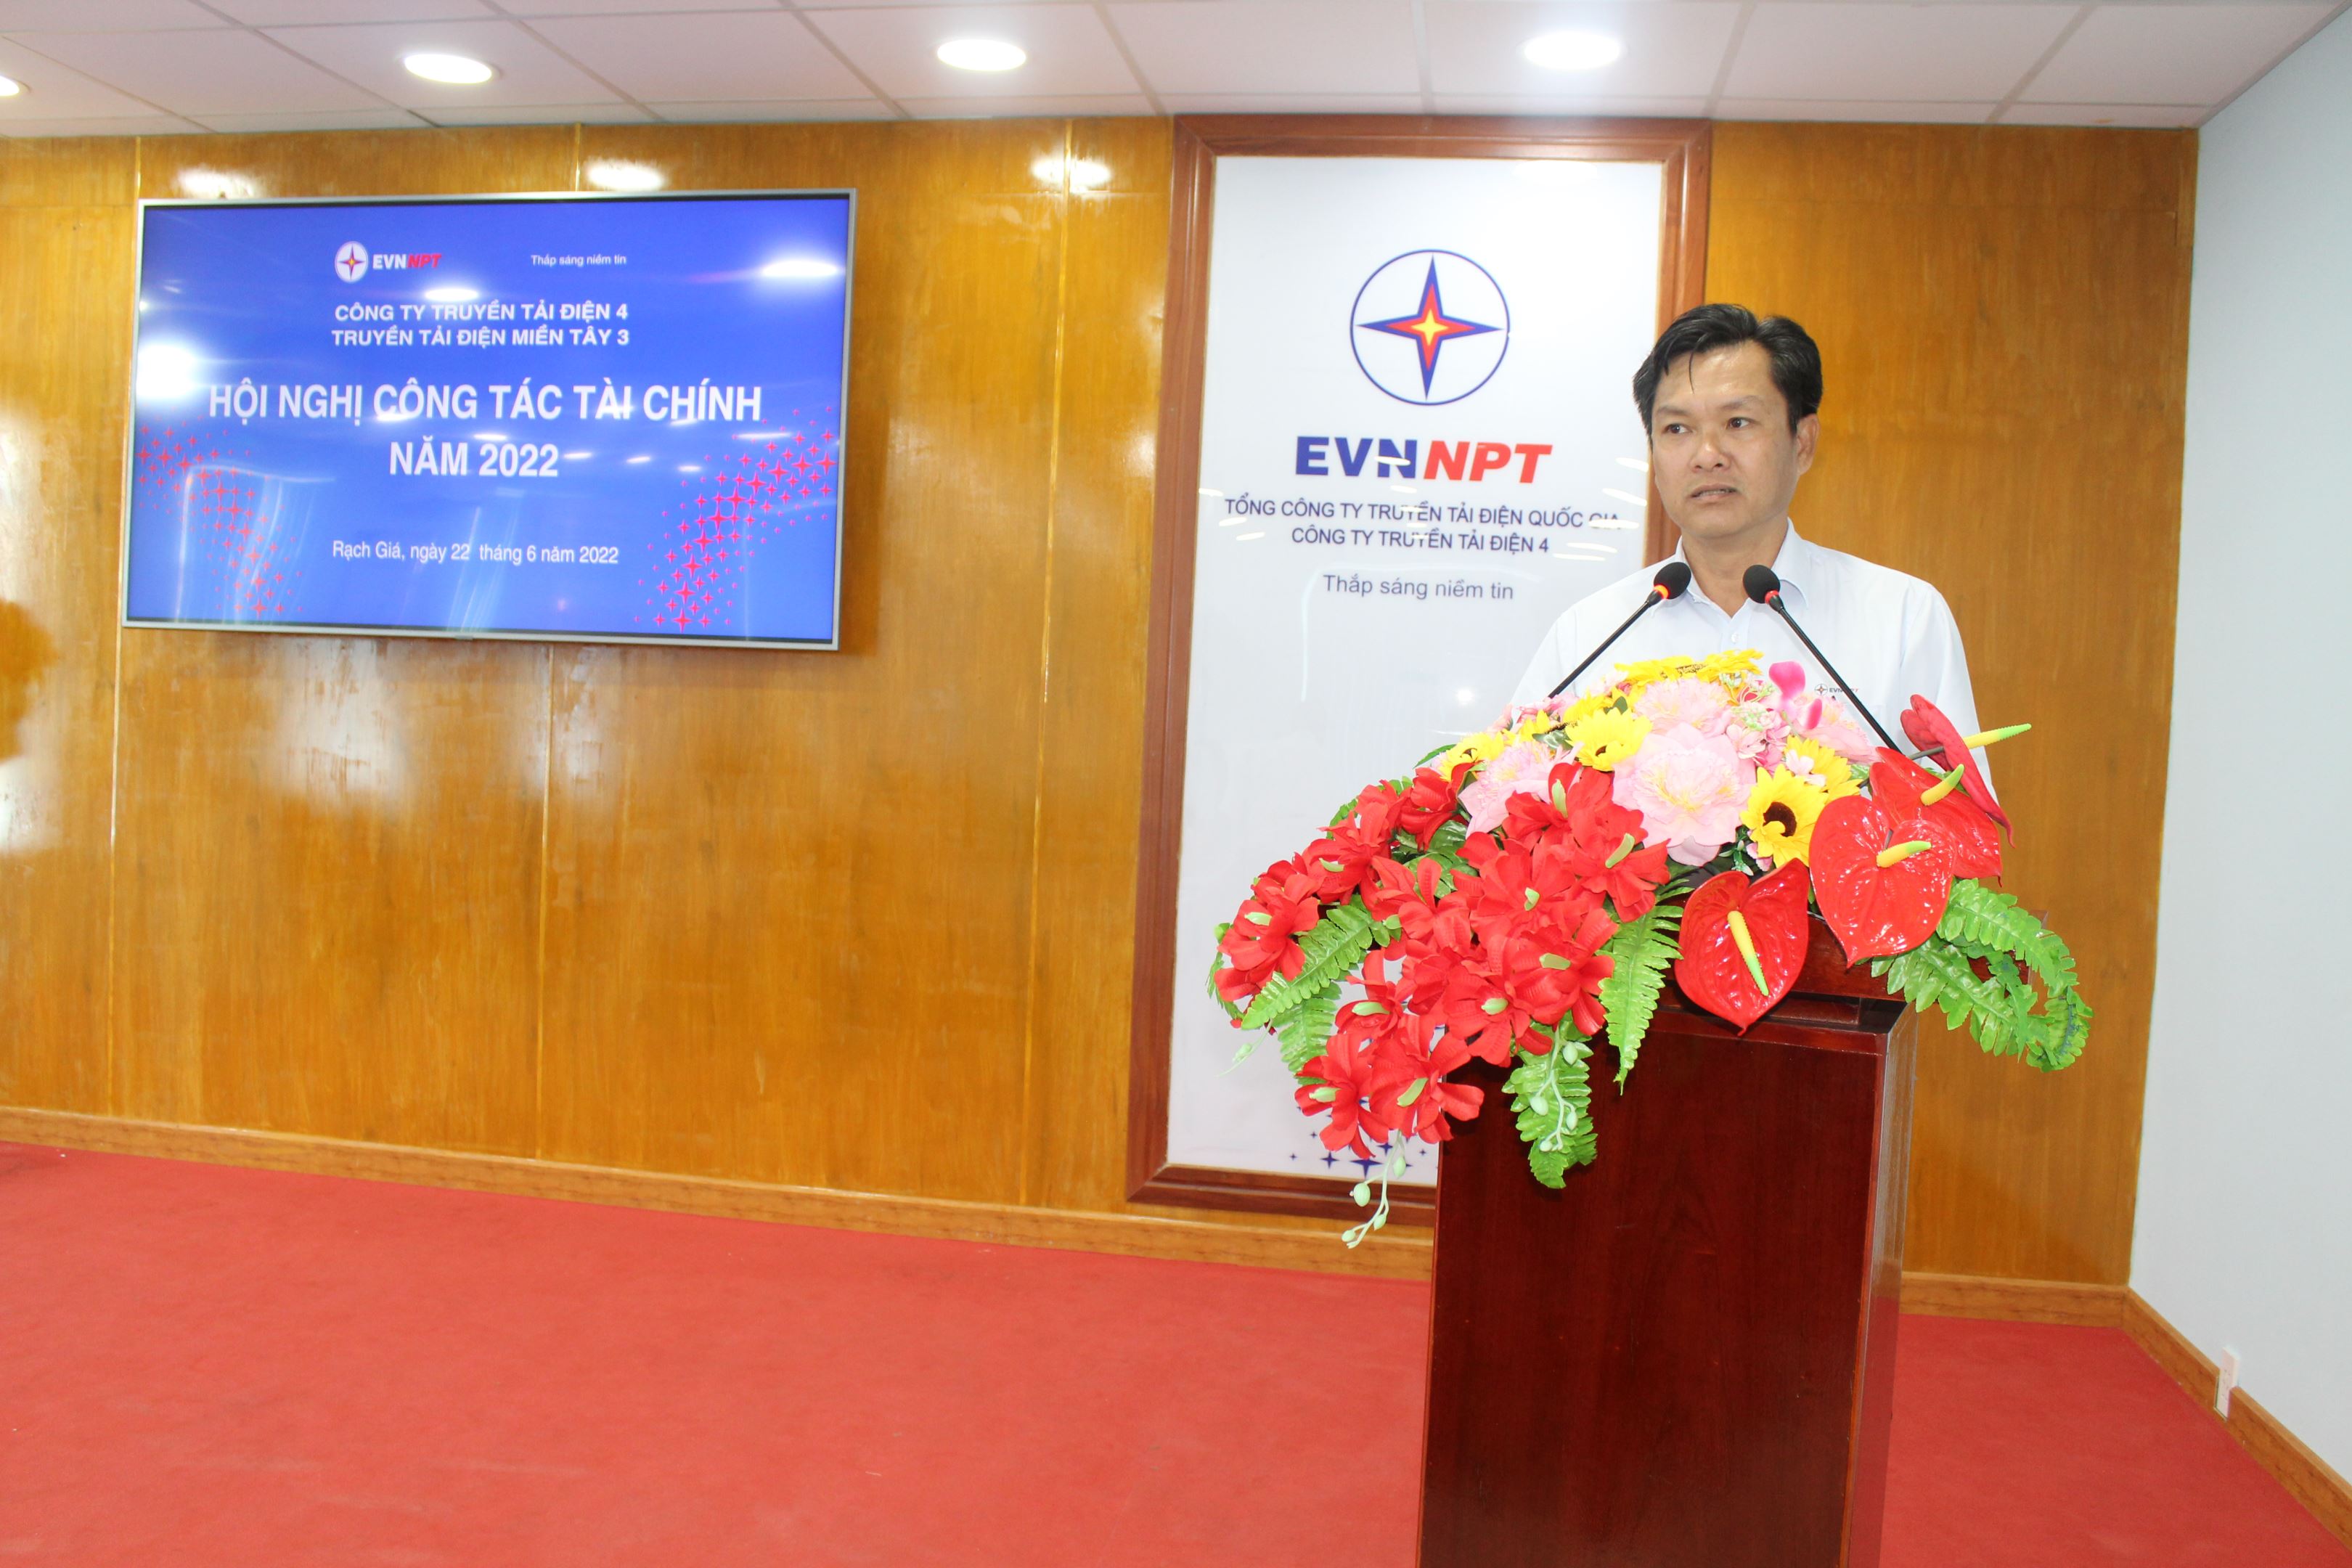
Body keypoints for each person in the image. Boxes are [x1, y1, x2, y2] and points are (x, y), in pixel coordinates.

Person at [1511, 304, 1983, 761]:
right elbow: (1513, 789)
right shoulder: (1591, 632)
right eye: (1677, 429)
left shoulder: (1901, 617)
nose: (1707, 455)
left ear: (1803, 443)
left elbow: (1957, 809)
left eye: (1738, 423)